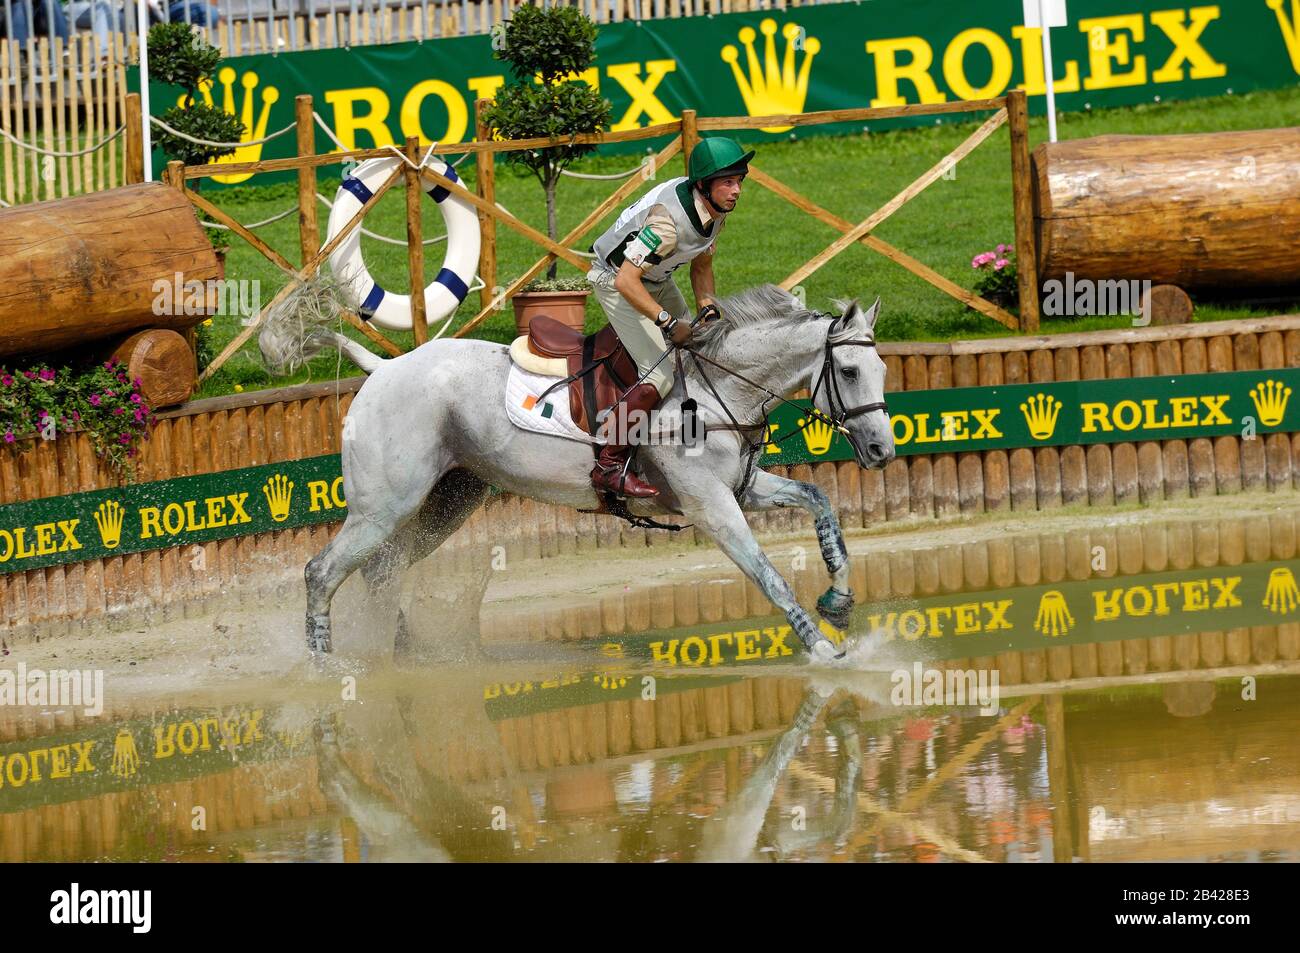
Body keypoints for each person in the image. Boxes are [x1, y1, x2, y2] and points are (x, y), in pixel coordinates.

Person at [585, 136, 753, 499]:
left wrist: (707, 307)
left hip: (656, 278)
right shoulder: (667, 225)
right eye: (728, 182)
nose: (736, 190)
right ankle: (608, 466)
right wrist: (667, 322)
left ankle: (693, 448)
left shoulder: (716, 211)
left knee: (696, 357)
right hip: (615, 281)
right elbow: (625, 280)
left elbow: (703, 264)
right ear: (704, 186)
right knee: (658, 373)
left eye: (740, 180)